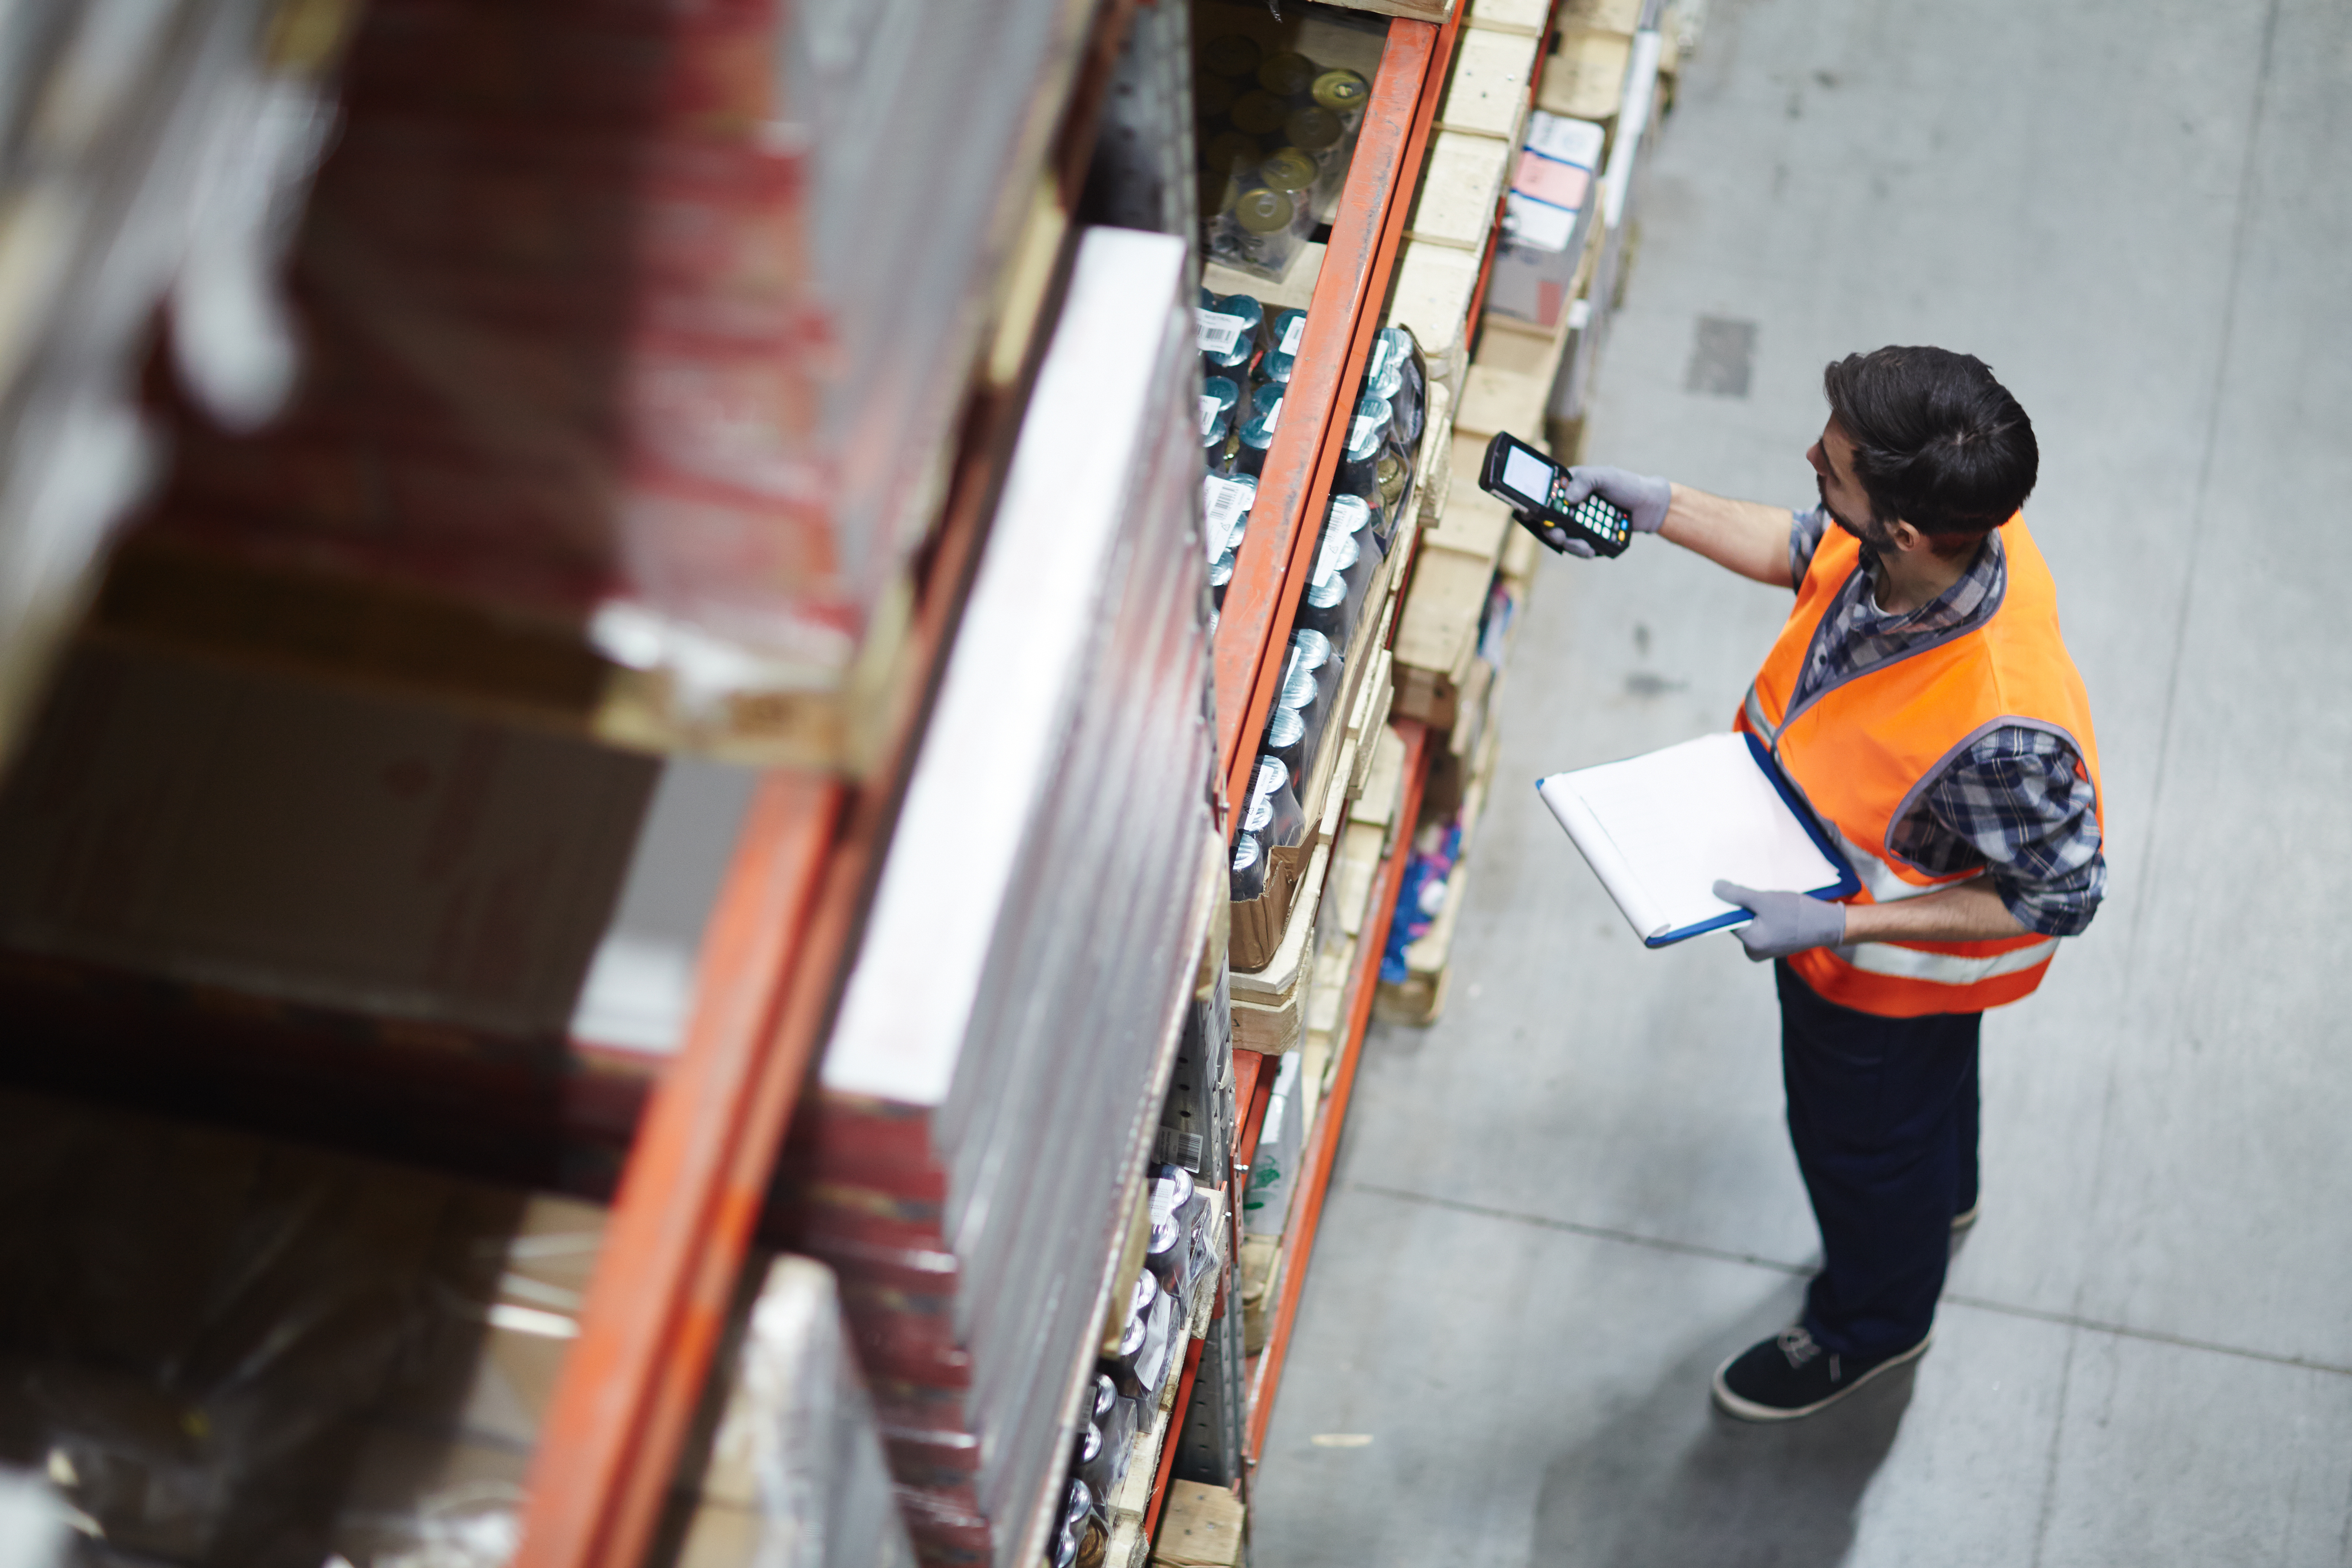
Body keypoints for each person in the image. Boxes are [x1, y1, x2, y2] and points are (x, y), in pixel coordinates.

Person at [1559, 345, 2104, 1421]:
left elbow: (2063, 894)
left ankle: (1876, 1326)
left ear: (1902, 528)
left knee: (1861, 1151)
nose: (1812, 458)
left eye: (1834, 463)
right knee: (1922, 1135)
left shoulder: (2002, 726)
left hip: (1878, 988)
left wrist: (1842, 922)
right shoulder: (1949, 535)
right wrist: (1663, 508)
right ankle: (1943, 1198)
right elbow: (1812, 548)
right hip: (1873, 966)